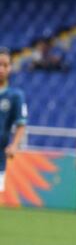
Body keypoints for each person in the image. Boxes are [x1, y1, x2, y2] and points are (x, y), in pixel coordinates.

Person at [0, 47, 27, 195]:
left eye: (5, 65)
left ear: (10, 68)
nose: (1, 69)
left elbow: (21, 124)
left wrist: (14, 145)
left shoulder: (15, 96)